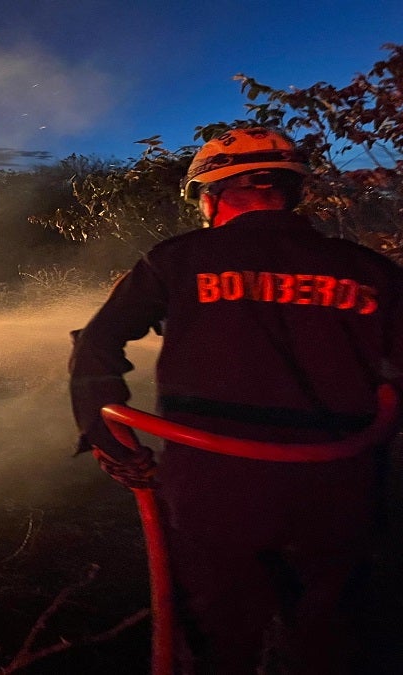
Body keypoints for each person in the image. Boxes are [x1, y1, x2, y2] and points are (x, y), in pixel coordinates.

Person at [68, 127, 403, 674]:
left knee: (221, 640)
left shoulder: (178, 261)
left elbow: (97, 341)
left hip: (215, 490)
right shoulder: (372, 272)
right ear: (291, 192)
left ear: (211, 195)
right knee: (334, 638)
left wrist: (110, 438)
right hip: (342, 490)